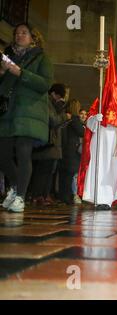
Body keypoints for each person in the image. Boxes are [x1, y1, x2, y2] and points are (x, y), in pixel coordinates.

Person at [77, 39, 117, 210]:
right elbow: (89, 123)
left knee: (110, 171)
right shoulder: (99, 102)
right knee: (98, 167)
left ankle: (107, 199)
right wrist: (94, 119)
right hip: (99, 141)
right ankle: (96, 196)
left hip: (113, 146)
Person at [0, 23, 53, 213]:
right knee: (2, 154)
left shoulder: (41, 58)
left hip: (30, 112)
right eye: (17, 33)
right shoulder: (8, 57)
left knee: (23, 153)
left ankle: (21, 197)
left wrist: (20, 72)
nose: (19, 35)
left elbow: (45, 83)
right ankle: (16, 186)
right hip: (8, 112)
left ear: (34, 37)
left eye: (24, 33)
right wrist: (2, 72)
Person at [29, 83, 68, 206]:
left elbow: (60, 120)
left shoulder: (53, 104)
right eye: (58, 96)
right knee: (43, 170)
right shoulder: (46, 102)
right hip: (47, 142)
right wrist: (60, 108)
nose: (59, 99)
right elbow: (54, 120)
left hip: (53, 143)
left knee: (49, 171)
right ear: (53, 94)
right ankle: (37, 195)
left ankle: (44, 195)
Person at [59, 99, 85, 205]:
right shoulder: (75, 120)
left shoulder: (68, 119)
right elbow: (82, 132)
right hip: (72, 151)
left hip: (66, 149)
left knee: (66, 175)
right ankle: (66, 197)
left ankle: (64, 196)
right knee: (69, 175)